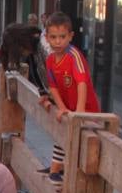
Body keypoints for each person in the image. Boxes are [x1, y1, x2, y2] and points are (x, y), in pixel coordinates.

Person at [42, 12, 100, 179]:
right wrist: (61, 107)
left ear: (70, 36)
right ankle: (56, 170)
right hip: (70, 110)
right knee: (64, 136)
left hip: (86, 112)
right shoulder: (51, 59)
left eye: (62, 37)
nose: (57, 41)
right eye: (53, 37)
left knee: (79, 145)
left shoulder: (74, 56)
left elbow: (82, 83)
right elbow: (53, 86)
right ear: (47, 37)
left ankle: (63, 171)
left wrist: (79, 112)